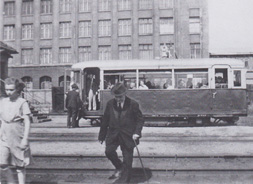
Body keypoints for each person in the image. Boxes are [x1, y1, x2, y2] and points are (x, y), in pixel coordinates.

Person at [98, 83, 144, 183]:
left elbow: (140, 120)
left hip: (128, 135)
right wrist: (101, 135)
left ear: (124, 94)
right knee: (109, 152)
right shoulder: (110, 103)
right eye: (116, 97)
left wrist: (137, 132)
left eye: (120, 97)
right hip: (113, 134)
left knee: (128, 160)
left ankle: (125, 180)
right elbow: (105, 120)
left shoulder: (133, 104)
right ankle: (119, 166)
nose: (118, 99)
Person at [0, 77, 32, 184]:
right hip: (4, 135)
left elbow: (27, 121)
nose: (8, 92)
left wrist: (25, 139)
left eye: (11, 90)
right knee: (2, 163)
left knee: (20, 165)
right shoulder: (3, 102)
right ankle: (11, 182)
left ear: (17, 90)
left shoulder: (22, 102)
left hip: (17, 134)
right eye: (7, 90)